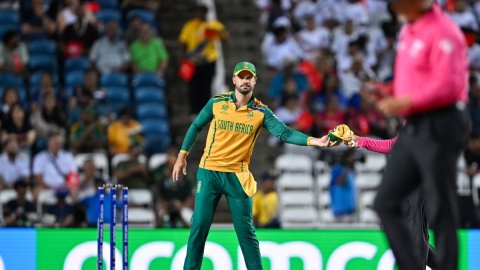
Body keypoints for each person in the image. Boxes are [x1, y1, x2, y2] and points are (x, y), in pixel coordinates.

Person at [172, 61, 331, 269]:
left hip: (237, 176)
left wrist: (314, 141)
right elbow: (196, 126)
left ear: (254, 80)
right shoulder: (217, 103)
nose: (245, 81)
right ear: (234, 80)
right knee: (199, 226)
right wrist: (182, 155)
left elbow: (284, 133)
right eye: (242, 76)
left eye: (249, 77)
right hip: (209, 171)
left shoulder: (261, 112)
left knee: (245, 232)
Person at [370, 1, 469, 269]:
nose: (395, 8)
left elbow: (449, 86)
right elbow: (415, 79)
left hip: (441, 123)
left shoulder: (444, 31)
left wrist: (404, 102)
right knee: (385, 203)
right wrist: (389, 91)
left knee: (440, 210)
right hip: (414, 126)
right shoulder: (410, 30)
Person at [332, 125, 436, 269]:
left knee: (414, 232)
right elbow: (392, 145)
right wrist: (360, 141)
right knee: (414, 234)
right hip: (412, 186)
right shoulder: (415, 126)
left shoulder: (425, 124)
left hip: (416, 187)